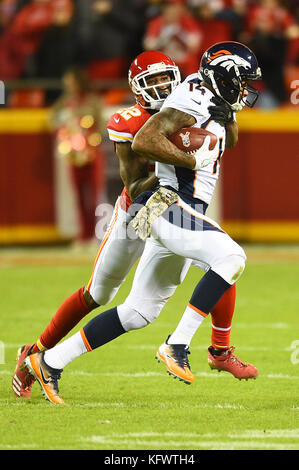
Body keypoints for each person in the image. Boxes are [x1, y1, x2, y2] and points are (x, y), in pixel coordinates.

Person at [22, 42, 261, 405]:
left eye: (169, 79)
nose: (165, 88)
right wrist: (187, 160)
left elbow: (226, 138)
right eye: (240, 81)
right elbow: (140, 166)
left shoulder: (205, 94)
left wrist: (225, 117)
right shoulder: (166, 108)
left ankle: (50, 362)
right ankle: (181, 345)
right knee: (225, 258)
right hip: (149, 206)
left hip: (178, 207)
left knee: (139, 311)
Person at [49, 66, 106, 245]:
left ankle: (97, 235)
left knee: (95, 195)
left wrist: (85, 127)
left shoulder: (92, 101)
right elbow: (52, 120)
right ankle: (83, 235)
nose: (69, 87)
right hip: (74, 155)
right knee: (79, 196)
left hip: (92, 153)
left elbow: (103, 125)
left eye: (71, 83)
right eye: (67, 84)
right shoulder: (65, 101)